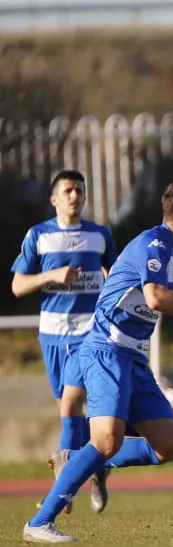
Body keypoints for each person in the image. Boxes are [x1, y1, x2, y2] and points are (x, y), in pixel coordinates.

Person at [23, 180, 173, 544]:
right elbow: (156, 298)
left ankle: (78, 458)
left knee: (167, 446)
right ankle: (39, 522)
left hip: (133, 358)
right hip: (107, 351)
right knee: (107, 440)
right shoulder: (155, 243)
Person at [10, 170, 117, 515]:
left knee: (74, 406)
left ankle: (64, 488)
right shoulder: (38, 236)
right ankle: (96, 469)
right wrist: (51, 276)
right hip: (54, 335)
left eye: (80, 191)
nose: (75, 196)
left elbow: (115, 278)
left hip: (91, 334)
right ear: (54, 199)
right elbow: (17, 286)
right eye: (68, 190)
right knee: (68, 411)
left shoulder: (100, 235)